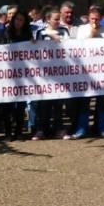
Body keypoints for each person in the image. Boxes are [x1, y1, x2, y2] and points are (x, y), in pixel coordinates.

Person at [74, 6, 104, 139]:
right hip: (86, 72)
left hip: (102, 73)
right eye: (92, 19)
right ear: (88, 17)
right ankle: (82, 128)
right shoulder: (82, 30)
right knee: (84, 101)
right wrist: (93, 33)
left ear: (101, 18)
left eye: (96, 19)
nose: (94, 21)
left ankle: (102, 127)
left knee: (102, 101)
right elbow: (79, 48)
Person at [34, 8, 71, 139]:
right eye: (55, 19)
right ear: (48, 19)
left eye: (59, 19)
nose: (58, 21)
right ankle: (41, 129)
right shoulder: (40, 32)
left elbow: (70, 47)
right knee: (43, 103)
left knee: (58, 102)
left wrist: (58, 39)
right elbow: (36, 49)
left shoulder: (64, 31)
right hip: (44, 74)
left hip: (60, 72)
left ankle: (59, 129)